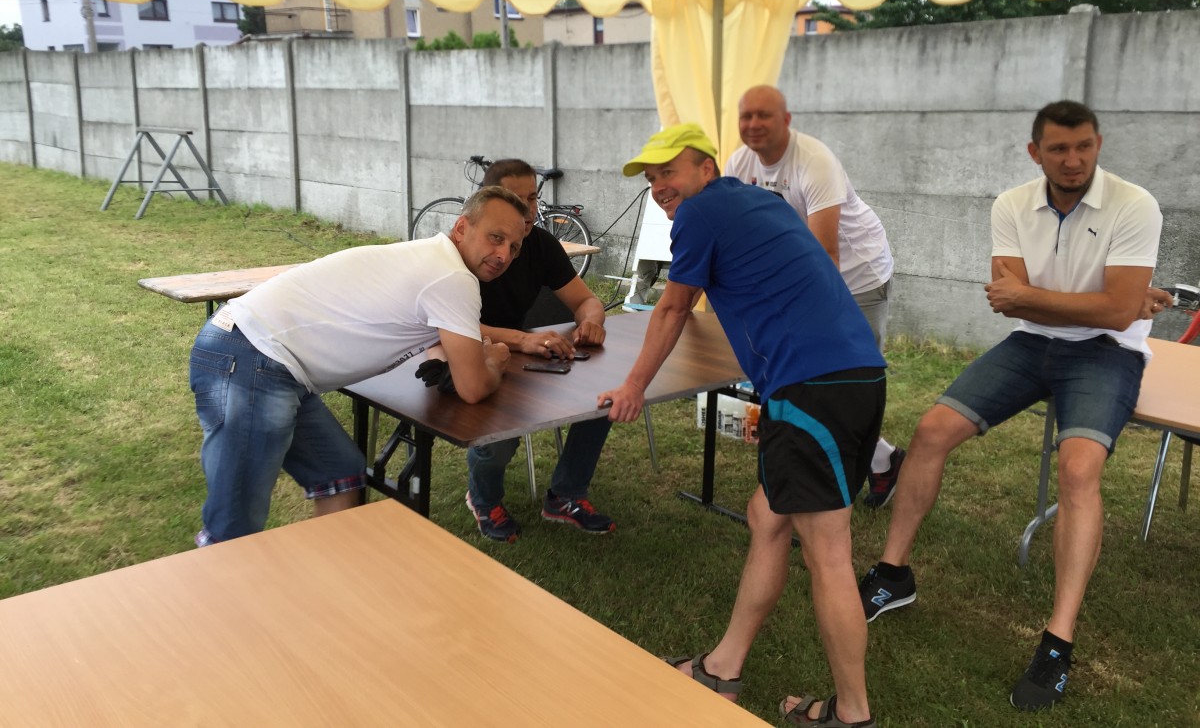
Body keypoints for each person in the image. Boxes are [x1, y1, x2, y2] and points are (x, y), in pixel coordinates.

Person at [857, 100, 1167, 712]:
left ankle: (1058, 641)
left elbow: (1109, 315)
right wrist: (1108, 300)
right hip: (1031, 344)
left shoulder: (1135, 205)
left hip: (1107, 351)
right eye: (1059, 149)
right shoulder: (1011, 204)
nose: (1073, 160)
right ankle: (893, 575)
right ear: (1035, 153)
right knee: (931, 430)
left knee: (1079, 470)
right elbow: (1011, 304)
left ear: (1098, 145)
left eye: (1083, 146)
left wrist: (1083, 301)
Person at [600, 124, 887, 728]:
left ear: (707, 168)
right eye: (651, 179)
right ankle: (723, 668)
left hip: (810, 387)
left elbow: (674, 305)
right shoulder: (758, 201)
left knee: (829, 554)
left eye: (668, 172)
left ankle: (852, 713)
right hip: (856, 375)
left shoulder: (700, 212)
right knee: (767, 515)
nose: (659, 187)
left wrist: (633, 386)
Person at [188, 186, 528, 546]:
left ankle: (330, 573)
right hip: (253, 357)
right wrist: (494, 360)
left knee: (339, 473)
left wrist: (487, 352)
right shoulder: (453, 277)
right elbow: (473, 387)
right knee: (234, 528)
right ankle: (212, 580)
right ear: (461, 228)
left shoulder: (433, 260)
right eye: (496, 238)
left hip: (262, 356)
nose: (503, 254)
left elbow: (445, 337)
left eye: (514, 247)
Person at [727, 84, 904, 507]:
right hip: (799, 277)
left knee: (848, 383)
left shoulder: (814, 160)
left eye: (764, 115)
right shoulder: (739, 163)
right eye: (746, 116)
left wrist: (799, 312)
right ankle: (884, 458)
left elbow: (826, 252)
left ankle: (857, 470)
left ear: (786, 120)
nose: (754, 124)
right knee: (811, 383)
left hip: (858, 277)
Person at [465, 159, 614, 542]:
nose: (528, 209)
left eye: (532, 198)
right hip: (466, 353)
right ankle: (483, 500)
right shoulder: (467, 247)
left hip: (520, 356)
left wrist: (591, 321)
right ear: (489, 199)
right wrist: (523, 340)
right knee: (501, 430)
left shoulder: (541, 245)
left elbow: (586, 301)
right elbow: (452, 325)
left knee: (602, 396)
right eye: (516, 199)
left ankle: (566, 495)